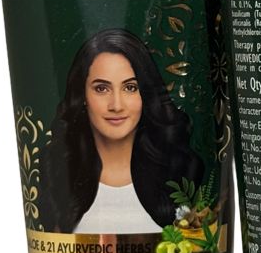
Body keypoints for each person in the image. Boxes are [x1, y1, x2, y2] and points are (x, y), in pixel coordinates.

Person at [45, 28, 203, 234]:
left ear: (145, 94)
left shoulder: (181, 172)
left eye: (130, 88)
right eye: (102, 88)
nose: (116, 105)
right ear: (82, 96)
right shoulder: (57, 175)